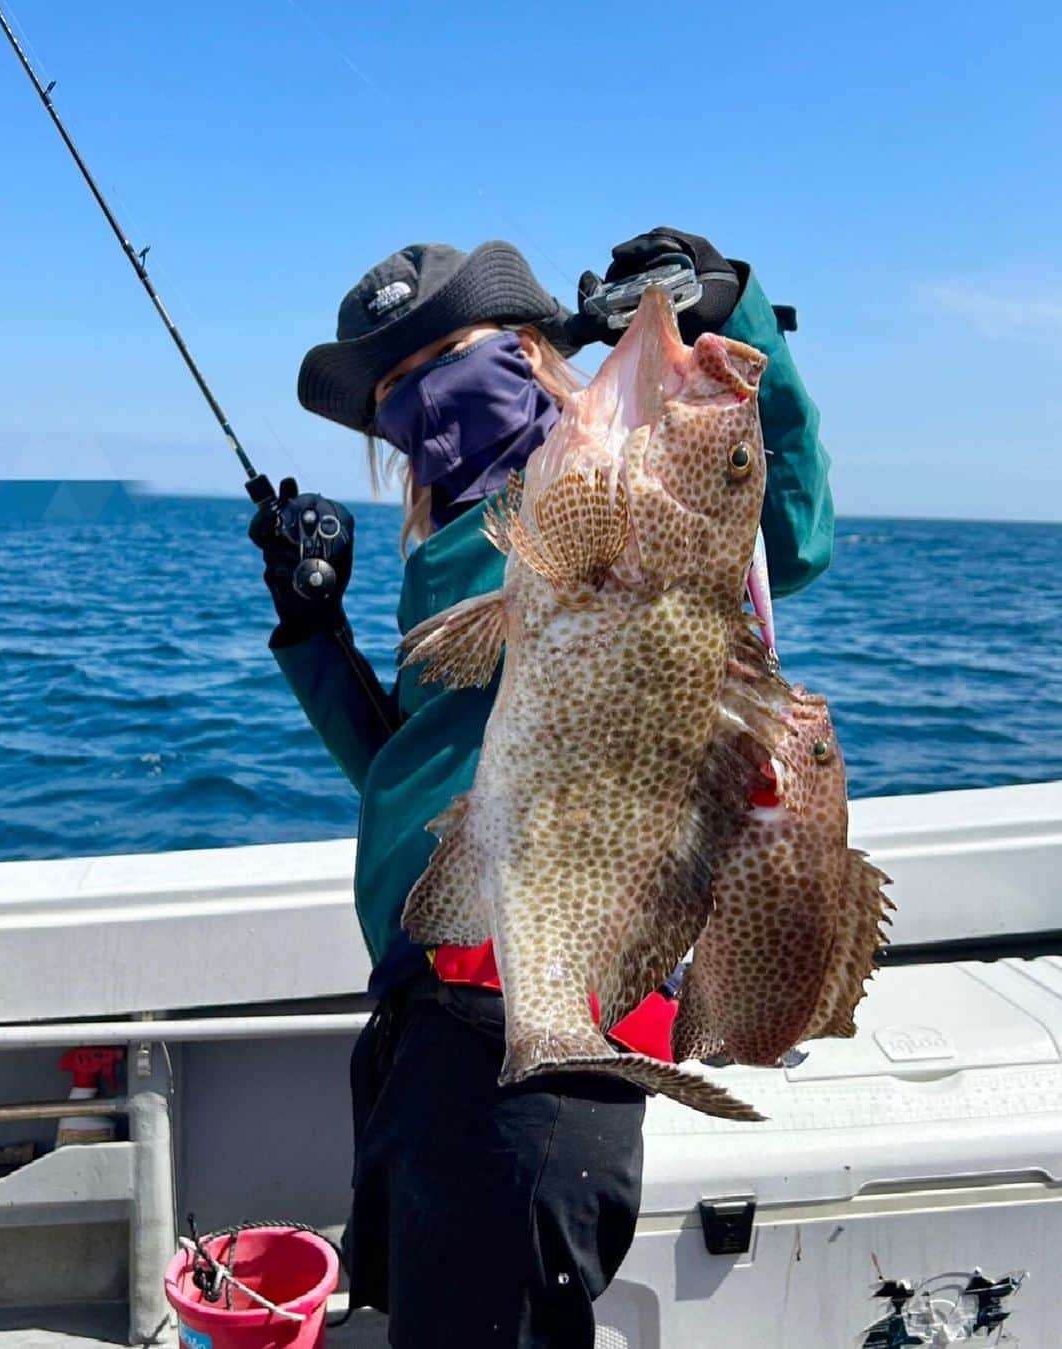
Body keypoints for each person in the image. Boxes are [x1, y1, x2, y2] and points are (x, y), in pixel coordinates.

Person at [249, 229, 834, 1347]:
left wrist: (735, 312)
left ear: (527, 349)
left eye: (447, 359)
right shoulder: (452, 545)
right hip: (437, 1017)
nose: (423, 405)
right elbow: (411, 775)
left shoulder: (598, 490)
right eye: (395, 393)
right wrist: (311, 626)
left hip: (529, 1027)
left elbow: (784, 529)